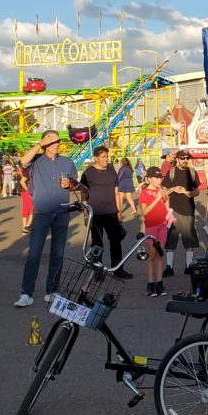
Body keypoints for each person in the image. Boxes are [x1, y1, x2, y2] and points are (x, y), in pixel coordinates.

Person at [15, 130, 78, 307]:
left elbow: (75, 183)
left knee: (57, 254)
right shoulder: (35, 162)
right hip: (42, 213)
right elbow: (22, 162)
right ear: (45, 143)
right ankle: (26, 293)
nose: (58, 143)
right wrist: (39, 144)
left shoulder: (67, 162)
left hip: (61, 213)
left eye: (59, 141)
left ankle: (52, 290)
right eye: (54, 141)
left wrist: (70, 184)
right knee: (34, 254)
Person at [79, 145, 131, 278]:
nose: (105, 159)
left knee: (116, 241)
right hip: (95, 213)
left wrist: (119, 212)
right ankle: (98, 271)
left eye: (107, 156)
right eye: (102, 157)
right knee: (97, 243)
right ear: (96, 158)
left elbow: (116, 192)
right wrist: (86, 215)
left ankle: (118, 269)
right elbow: (83, 195)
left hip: (111, 212)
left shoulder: (111, 170)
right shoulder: (88, 173)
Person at [163, 150, 203, 275]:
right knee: (170, 240)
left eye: (187, 158)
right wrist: (174, 189)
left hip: (188, 211)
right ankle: (169, 267)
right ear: (178, 159)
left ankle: (189, 266)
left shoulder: (192, 172)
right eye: (182, 158)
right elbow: (164, 190)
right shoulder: (172, 172)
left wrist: (192, 193)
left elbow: (197, 191)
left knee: (189, 240)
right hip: (173, 211)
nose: (185, 160)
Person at [138, 167, 169, 296]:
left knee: (160, 255)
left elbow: (167, 208)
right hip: (151, 227)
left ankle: (159, 283)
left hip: (163, 226)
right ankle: (150, 284)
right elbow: (144, 212)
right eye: (156, 177)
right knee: (151, 255)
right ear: (149, 178)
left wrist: (165, 198)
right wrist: (156, 199)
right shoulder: (144, 192)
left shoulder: (162, 190)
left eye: (160, 177)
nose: (159, 180)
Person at [17, 164, 33, 234]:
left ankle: (26, 227)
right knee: (32, 208)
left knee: (29, 209)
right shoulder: (29, 171)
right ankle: (26, 226)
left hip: (25, 192)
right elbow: (22, 182)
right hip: (27, 192)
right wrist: (28, 191)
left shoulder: (28, 171)